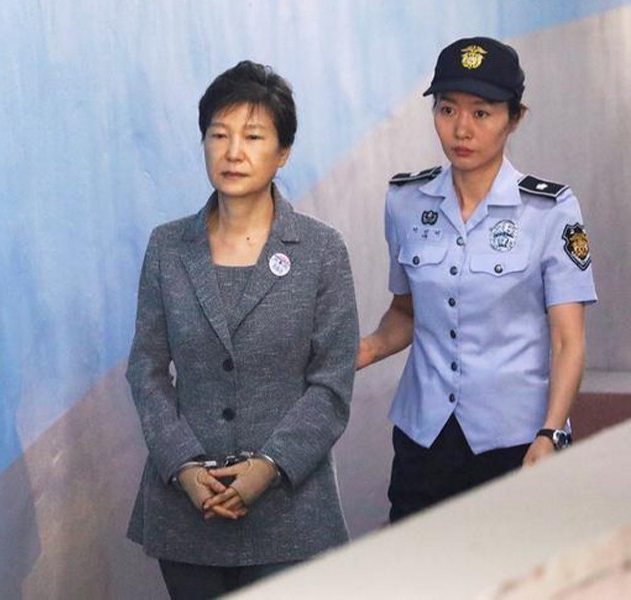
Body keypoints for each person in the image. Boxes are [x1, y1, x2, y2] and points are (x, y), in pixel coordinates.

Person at [125, 60, 358, 599]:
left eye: (253, 137)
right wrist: (182, 464)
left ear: (282, 154)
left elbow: (331, 383)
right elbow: (147, 368)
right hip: (189, 508)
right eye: (219, 135)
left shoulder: (321, 251)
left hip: (290, 513)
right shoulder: (168, 248)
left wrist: (270, 466)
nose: (233, 152)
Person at [357, 37, 597, 523]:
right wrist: (358, 352)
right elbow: (405, 313)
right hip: (423, 437)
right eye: (447, 110)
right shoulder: (405, 201)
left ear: (515, 117)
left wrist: (551, 434)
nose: (460, 129)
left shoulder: (550, 210)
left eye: (481, 113)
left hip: (515, 440)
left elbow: (568, 342)